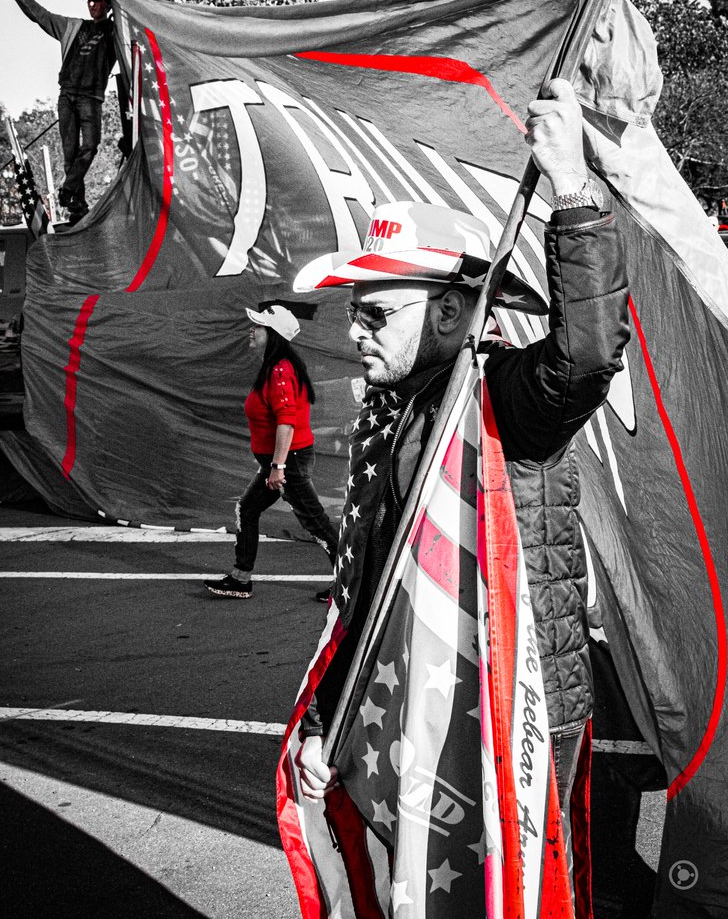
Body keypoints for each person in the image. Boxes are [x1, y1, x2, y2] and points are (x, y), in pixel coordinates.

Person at [291, 79, 630, 881]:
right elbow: (368, 590)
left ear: (451, 313)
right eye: (355, 312)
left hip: (520, 713)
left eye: (379, 313)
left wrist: (574, 190)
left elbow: (586, 353)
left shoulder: (506, 396)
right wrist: (326, 719)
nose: (356, 332)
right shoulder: (388, 415)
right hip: (418, 709)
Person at [206, 304, 339, 601]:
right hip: (279, 462)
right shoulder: (275, 368)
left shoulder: (280, 370)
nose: (252, 330)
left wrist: (277, 466)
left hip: (287, 461)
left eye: (259, 326)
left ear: (274, 334)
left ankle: (351, 586)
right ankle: (241, 579)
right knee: (247, 509)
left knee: (316, 523)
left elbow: (287, 422)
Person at [4, 0, 117, 222]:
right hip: (67, 96)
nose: (92, 5)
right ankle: (77, 206)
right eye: (89, 1)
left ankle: (68, 189)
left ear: (108, 5)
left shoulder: (114, 30)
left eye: (97, 1)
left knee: (90, 145)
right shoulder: (74, 27)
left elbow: (130, 19)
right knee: (70, 153)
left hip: (91, 98)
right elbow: (41, 16)